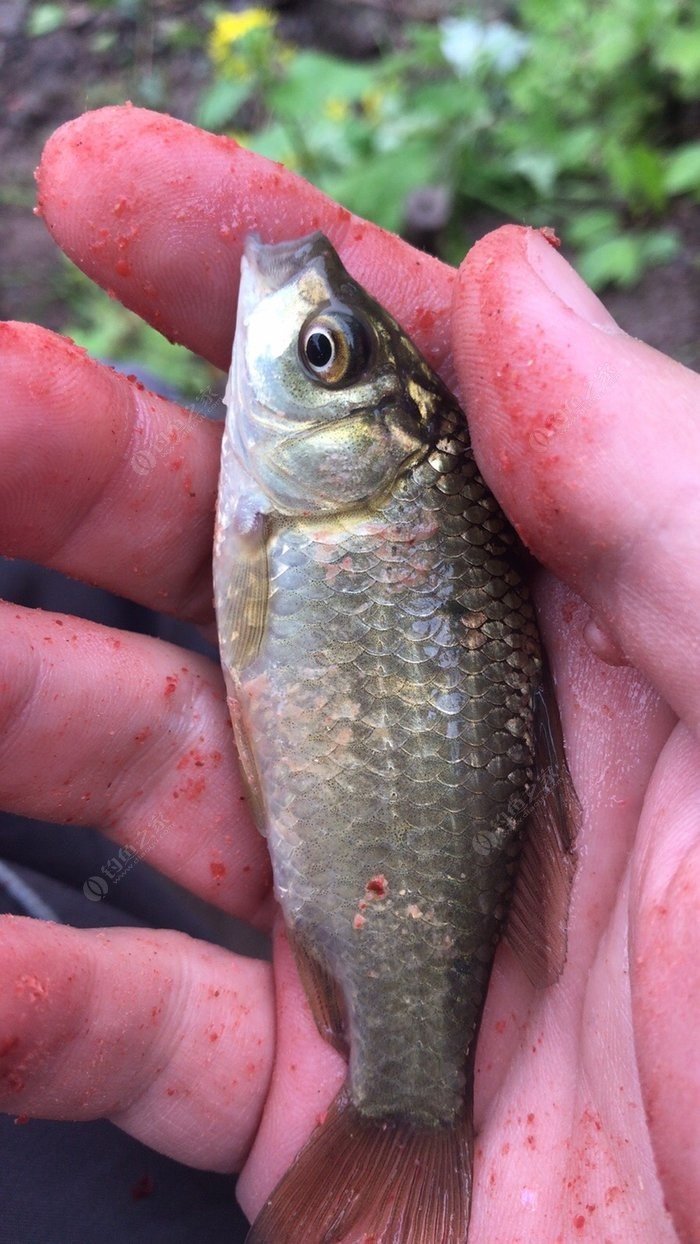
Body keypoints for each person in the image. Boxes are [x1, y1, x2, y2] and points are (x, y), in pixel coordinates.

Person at [0, 105, 698, 1243]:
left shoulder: (326, 504)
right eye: (324, 353)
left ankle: (406, 1113)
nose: (292, 303)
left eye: (321, 356)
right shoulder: (324, 502)